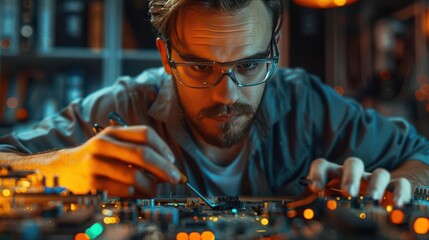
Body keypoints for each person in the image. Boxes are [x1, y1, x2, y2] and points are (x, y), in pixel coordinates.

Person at [0, 0, 428, 207]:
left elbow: (422, 160)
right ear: (167, 57)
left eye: (248, 66)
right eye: (201, 67)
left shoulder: (308, 103)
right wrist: (56, 167)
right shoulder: (120, 107)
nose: (227, 94)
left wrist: (396, 186)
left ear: (273, 52)